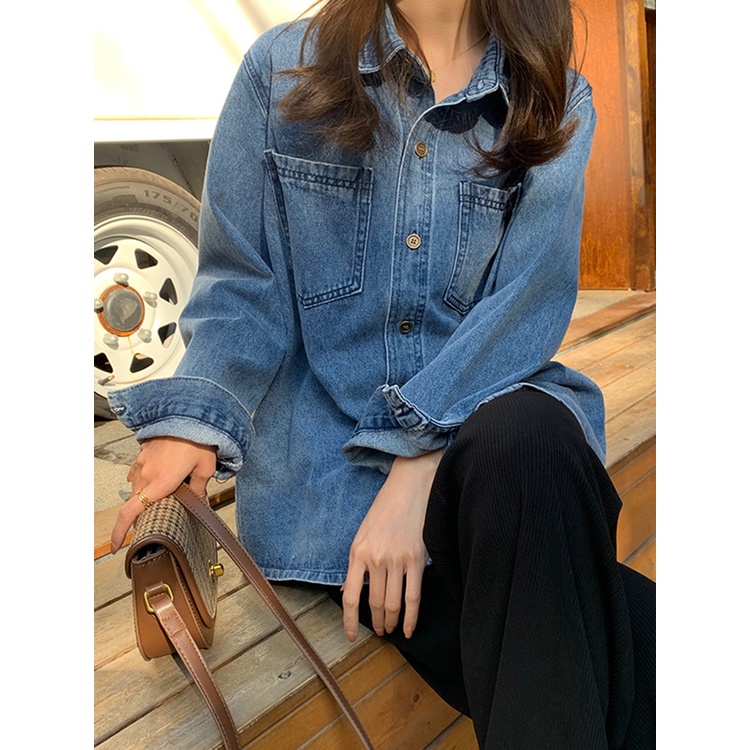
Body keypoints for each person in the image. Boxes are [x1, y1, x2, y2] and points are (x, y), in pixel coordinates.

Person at [109, 0, 656, 747]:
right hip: (337, 488)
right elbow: (243, 287)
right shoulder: (281, 71)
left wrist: (417, 455)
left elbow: (526, 304)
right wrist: (194, 420)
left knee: (527, 436)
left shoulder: (551, 95)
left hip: (497, 449)